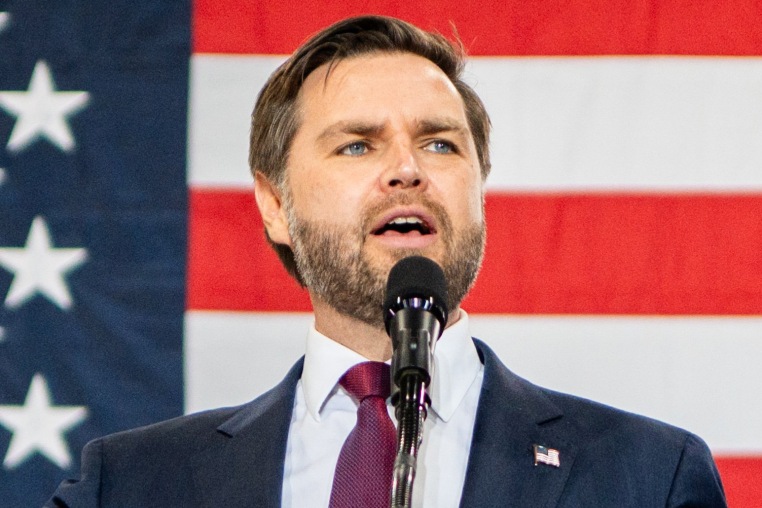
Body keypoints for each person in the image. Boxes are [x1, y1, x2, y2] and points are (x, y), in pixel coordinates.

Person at [47, 15, 726, 507]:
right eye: (356, 146)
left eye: (440, 145)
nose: (407, 170)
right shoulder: (134, 484)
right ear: (275, 204)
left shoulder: (647, 478)